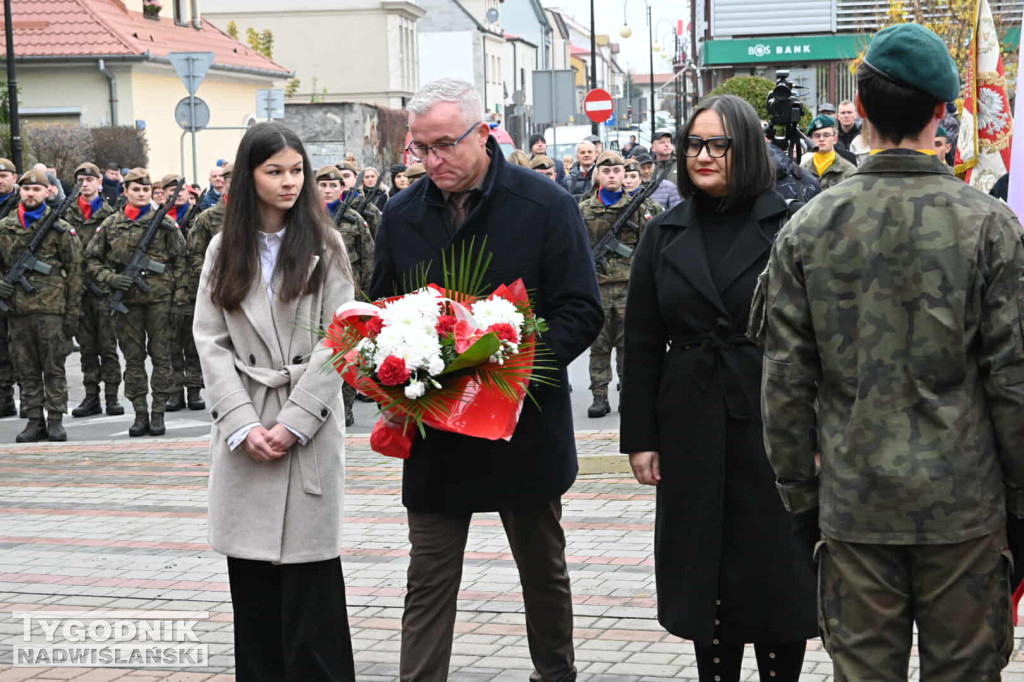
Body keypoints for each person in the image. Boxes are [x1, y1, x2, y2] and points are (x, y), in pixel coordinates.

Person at [756, 23, 1024, 681]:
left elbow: (785, 384)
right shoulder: (989, 226)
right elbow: (1014, 382)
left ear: (863, 108)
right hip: (965, 514)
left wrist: (801, 502)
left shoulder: (807, 228)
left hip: (853, 510)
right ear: (942, 111)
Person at [371, 77, 602, 682]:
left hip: (521, 429)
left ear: (484, 131)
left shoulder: (545, 205)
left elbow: (582, 309)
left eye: (445, 144)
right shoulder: (400, 214)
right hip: (435, 433)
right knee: (427, 578)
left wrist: (511, 366)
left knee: (542, 571)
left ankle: (555, 673)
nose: (432, 161)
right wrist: (398, 366)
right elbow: (380, 310)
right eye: (420, 149)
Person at [621, 94, 817, 682]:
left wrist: (817, 433)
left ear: (748, 149)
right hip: (691, 417)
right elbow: (642, 340)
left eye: (718, 145)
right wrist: (641, 437)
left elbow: (819, 337)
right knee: (703, 565)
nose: (702, 156)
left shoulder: (791, 223)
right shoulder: (665, 231)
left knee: (775, 563)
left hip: (772, 416)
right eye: (693, 144)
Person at [192, 121, 357, 681]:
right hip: (246, 434)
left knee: (314, 601)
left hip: (304, 428)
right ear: (249, 177)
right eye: (274, 171)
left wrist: (295, 421)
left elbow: (343, 336)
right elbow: (209, 339)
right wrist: (240, 422)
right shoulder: (223, 248)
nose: (290, 183)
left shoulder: (324, 244)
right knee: (255, 602)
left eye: (297, 171)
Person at [85, 168, 189, 437]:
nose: (142, 194)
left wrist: (175, 294)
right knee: (133, 359)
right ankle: (140, 412)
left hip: (159, 302)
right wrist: (111, 278)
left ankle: (158, 413)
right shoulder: (111, 224)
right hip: (127, 303)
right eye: (136, 189)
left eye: (145, 190)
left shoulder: (164, 223)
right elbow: (91, 260)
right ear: (126, 192)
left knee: (162, 358)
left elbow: (181, 261)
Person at [0, 169, 82, 442]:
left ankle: (56, 420)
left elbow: (75, 273)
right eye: (26, 190)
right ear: (20, 192)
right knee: (26, 369)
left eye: (37, 190)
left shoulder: (60, 228)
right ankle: (34, 420)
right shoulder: (5, 227)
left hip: (51, 311)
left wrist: (72, 315)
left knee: (54, 368)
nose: (31, 194)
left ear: (48, 192)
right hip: (17, 311)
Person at [581, 151, 654, 418]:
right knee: (599, 346)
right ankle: (599, 397)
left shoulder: (638, 207)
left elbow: (648, 249)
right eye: (607, 171)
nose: (612, 176)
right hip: (597, 287)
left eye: (617, 171)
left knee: (628, 346)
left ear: (624, 174)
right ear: (598, 174)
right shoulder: (583, 210)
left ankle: (628, 394)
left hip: (629, 288)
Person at [65, 162, 124, 418]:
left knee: (108, 346)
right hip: (79, 291)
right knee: (87, 347)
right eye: (81, 180)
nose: (85, 184)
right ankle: (91, 397)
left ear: (100, 183)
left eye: (90, 180)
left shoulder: (110, 215)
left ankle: (112, 396)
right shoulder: (66, 215)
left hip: (104, 290)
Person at [316, 164, 373, 428]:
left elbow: (368, 260)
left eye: (333, 186)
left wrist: (364, 299)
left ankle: (346, 406)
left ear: (342, 188)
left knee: (345, 353)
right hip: (313, 296)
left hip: (348, 297)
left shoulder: (353, 220)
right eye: (323, 185)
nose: (328, 190)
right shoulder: (304, 218)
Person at [160, 175, 205, 413]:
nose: (177, 194)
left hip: (193, 288)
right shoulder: (158, 220)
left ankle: (195, 389)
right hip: (166, 289)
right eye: (170, 190)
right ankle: (175, 391)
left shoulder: (199, 217)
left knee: (194, 343)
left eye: (181, 190)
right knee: (170, 344)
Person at [0, 157, 20, 418]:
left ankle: (29, 397)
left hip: (18, 289)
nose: (0, 180)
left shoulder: (22, 205)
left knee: (21, 345)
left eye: (5, 175)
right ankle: (4, 397)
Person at [800, 115, 856, 189]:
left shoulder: (849, 171)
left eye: (826, 135)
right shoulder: (802, 172)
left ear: (835, 138)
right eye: (817, 136)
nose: (821, 139)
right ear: (811, 139)